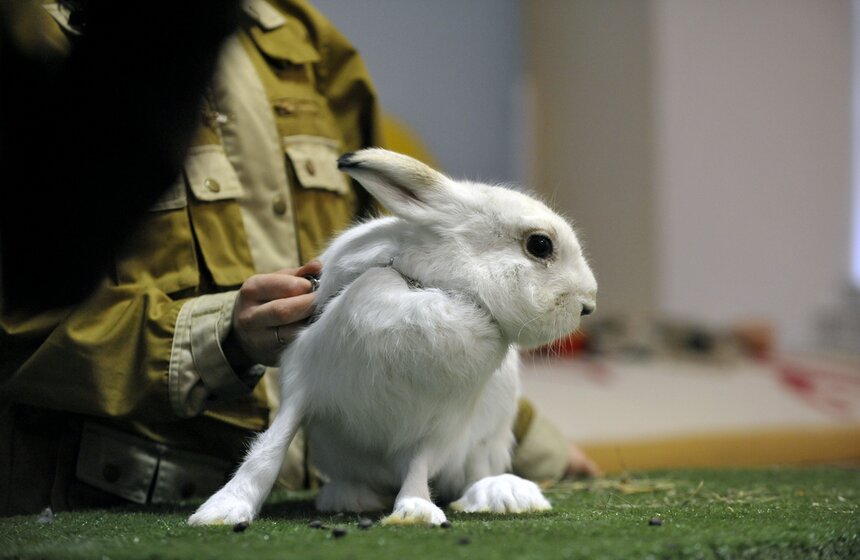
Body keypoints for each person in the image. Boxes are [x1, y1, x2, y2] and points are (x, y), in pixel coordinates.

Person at [0, 0, 594, 516]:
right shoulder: (34, 35)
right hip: (129, 497)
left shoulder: (299, 38)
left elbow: (427, 272)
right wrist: (221, 336)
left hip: (336, 492)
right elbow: (20, 313)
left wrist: (530, 444)